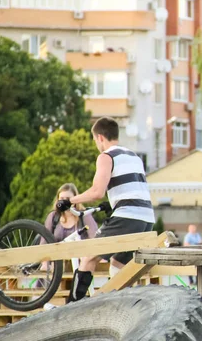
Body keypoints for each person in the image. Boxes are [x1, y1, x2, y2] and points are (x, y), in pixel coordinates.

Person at [61, 116, 155, 303]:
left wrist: (70, 200)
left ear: (100, 138)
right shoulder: (133, 156)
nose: (97, 144)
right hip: (146, 219)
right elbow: (129, 188)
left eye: (95, 140)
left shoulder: (106, 156)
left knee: (88, 257)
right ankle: (119, 306)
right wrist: (111, 205)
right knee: (118, 265)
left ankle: (70, 307)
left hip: (127, 216)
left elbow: (97, 192)